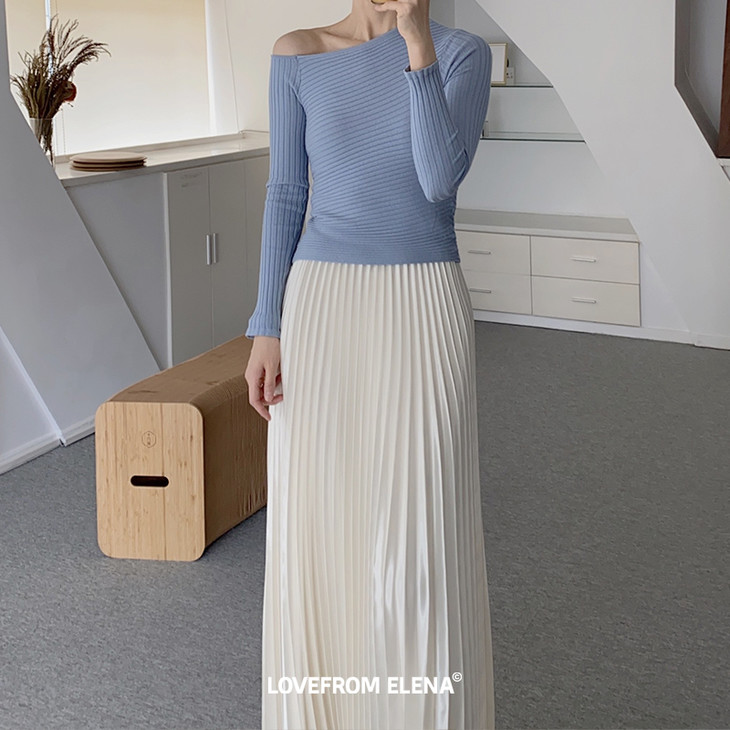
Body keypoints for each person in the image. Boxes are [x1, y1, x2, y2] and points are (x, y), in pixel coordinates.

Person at [244, 0, 494, 727]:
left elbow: (438, 180)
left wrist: (416, 42)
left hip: (423, 302)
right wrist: (267, 325)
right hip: (321, 305)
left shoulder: (461, 53)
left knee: (421, 527)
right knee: (324, 522)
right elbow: (286, 192)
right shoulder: (297, 53)